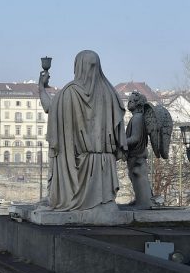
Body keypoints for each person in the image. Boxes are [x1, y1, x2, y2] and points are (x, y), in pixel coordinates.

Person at [38, 50, 126, 211]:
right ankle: (104, 202)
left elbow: (50, 107)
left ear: (77, 67)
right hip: (105, 163)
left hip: (76, 162)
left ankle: (71, 201)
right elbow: (118, 128)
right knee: (106, 209)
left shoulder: (69, 92)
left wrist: (41, 87)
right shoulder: (111, 93)